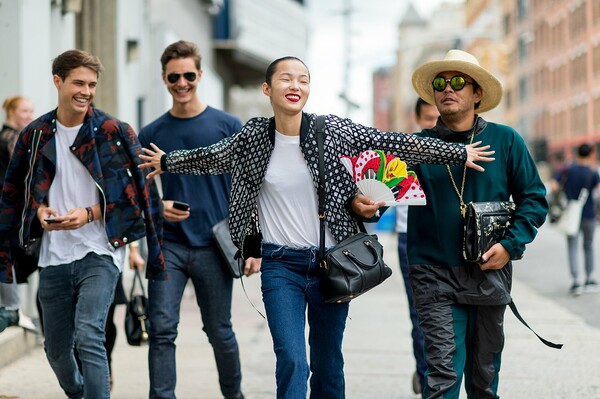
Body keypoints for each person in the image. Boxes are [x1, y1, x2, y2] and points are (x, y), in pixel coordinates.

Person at [138, 55, 493, 399]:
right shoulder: (253, 138)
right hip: (279, 266)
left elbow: (392, 141)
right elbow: (214, 155)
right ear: (267, 88)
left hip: (330, 264)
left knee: (327, 364)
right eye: (286, 78)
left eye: (303, 80)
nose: (295, 85)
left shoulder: (331, 130)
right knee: (292, 360)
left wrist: (457, 153)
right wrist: (167, 161)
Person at [0, 49, 165, 399]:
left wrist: (90, 214)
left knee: (90, 333)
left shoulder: (112, 131)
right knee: (57, 352)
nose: (86, 91)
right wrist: (40, 211)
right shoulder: (35, 134)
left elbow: (138, 193)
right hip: (53, 255)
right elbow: (14, 191)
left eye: (91, 84)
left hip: (99, 250)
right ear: (57, 81)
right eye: (78, 82)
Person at [407, 49, 548, 398]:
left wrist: (510, 245)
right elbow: (386, 192)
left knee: (484, 379)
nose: (447, 89)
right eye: (440, 83)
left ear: (477, 94)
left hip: (490, 271)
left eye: (458, 82)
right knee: (442, 376)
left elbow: (534, 198)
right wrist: (367, 204)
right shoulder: (418, 146)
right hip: (433, 273)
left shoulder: (506, 140)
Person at [131, 40, 245, 399]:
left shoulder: (228, 125)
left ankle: (234, 395)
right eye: (174, 77)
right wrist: (158, 206)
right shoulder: (150, 133)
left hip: (215, 245)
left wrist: (251, 243)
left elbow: (248, 189)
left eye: (189, 75)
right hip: (169, 245)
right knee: (162, 329)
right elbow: (135, 191)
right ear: (164, 79)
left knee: (219, 330)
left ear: (200, 75)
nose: (182, 83)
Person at [395, 97, 439, 395]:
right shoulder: (406, 149)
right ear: (418, 120)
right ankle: (427, 382)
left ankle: (435, 376)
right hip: (408, 238)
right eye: (429, 119)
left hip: (446, 240)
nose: (435, 125)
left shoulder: (456, 149)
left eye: (439, 119)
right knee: (420, 315)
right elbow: (384, 192)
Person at [0, 95, 38, 334]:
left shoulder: (10, 137)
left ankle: (14, 308)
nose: (29, 116)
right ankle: (13, 308)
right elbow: (26, 174)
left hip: (10, 209)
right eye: (24, 111)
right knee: (9, 256)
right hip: (9, 210)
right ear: (11, 113)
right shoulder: (12, 138)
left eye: (31, 111)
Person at [551, 143, 600, 296]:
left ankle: (575, 281)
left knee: (572, 247)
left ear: (577, 153)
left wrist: (565, 192)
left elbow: (553, 186)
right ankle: (589, 278)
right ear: (591, 154)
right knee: (588, 246)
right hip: (589, 214)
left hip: (571, 213)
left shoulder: (567, 169)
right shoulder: (593, 173)